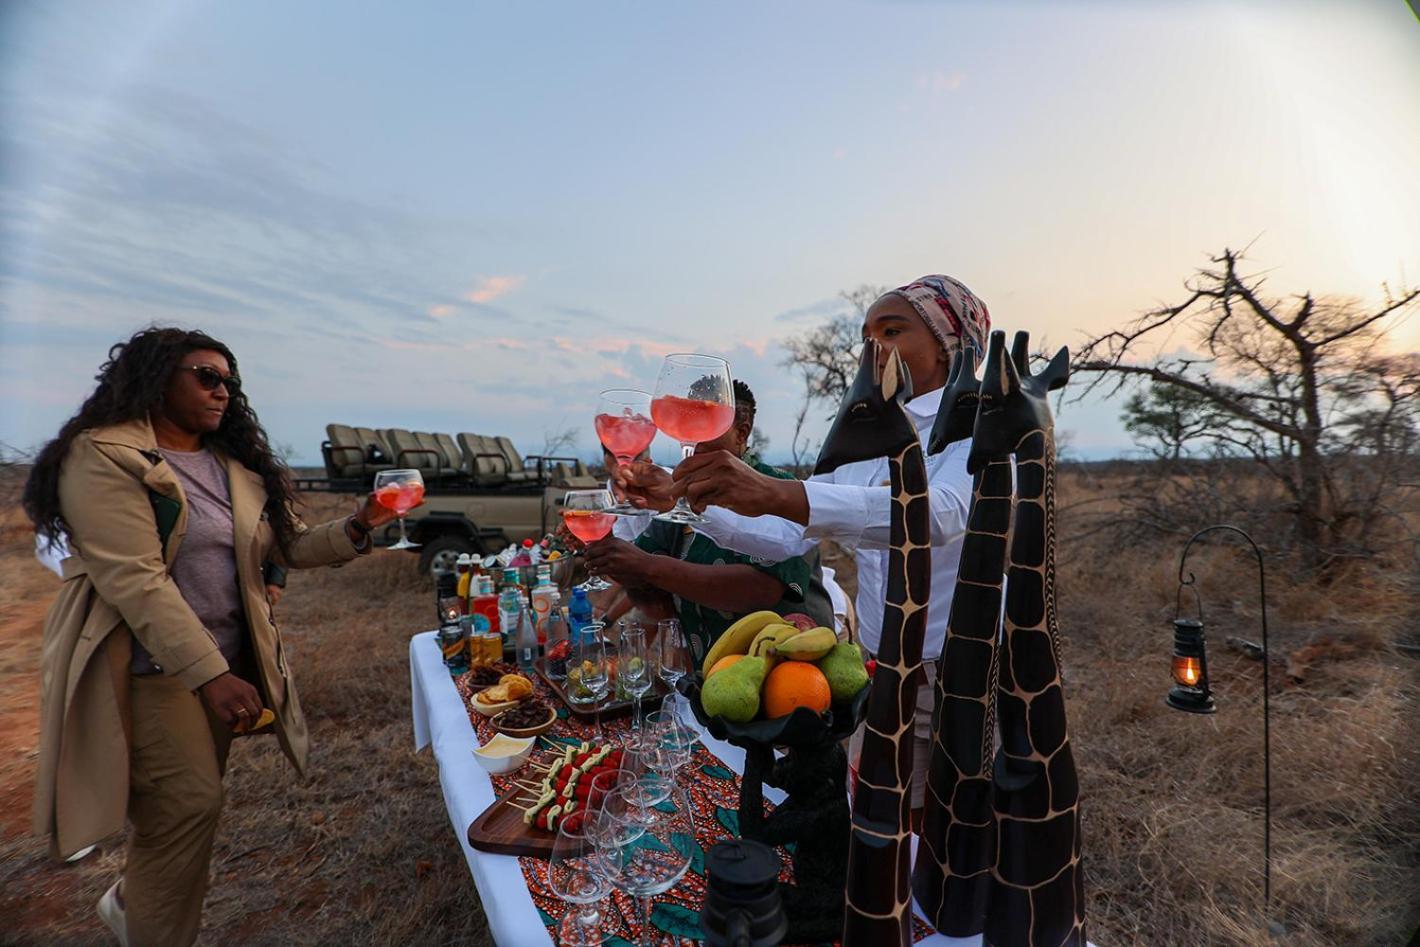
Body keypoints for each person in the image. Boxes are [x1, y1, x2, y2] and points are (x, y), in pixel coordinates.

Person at [22, 327, 408, 946]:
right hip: (151, 669)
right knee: (187, 807)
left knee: (178, 818)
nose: (222, 390)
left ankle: (132, 902)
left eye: (228, 380)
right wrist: (210, 674)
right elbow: (137, 581)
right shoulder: (103, 455)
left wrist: (362, 525)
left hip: (219, 667)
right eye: (205, 376)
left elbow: (285, 547)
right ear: (154, 381)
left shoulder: (231, 467)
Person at [616, 276, 989, 824]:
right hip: (877, 669)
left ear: (949, 339)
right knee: (884, 821)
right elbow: (789, 535)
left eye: (893, 329)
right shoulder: (871, 429)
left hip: (959, 673)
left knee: (955, 831)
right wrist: (691, 501)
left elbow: (943, 514)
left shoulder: (984, 422)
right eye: (868, 334)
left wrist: (777, 492)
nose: (875, 347)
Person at [585, 380, 835, 666]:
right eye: (687, 422)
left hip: (787, 674)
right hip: (708, 679)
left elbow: (760, 590)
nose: (692, 437)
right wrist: (611, 553)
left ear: (741, 433)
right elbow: (650, 595)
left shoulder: (780, 490)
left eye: (707, 424)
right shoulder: (680, 496)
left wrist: (647, 567)